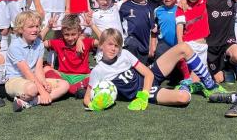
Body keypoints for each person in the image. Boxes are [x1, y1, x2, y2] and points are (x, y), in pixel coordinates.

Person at [83, 28, 220, 110]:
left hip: (146, 85)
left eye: (117, 45)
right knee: (183, 98)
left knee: (183, 47)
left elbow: (148, 73)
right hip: (146, 92)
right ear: (100, 45)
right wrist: (94, 106)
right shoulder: (98, 70)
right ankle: (188, 87)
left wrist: (143, 96)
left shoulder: (124, 54)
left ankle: (210, 85)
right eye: (110, 44)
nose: (114, 48)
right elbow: (87, 97)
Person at [5, 11, 70, 112]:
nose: (35, 30)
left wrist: (44, 83)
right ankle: (36, 96)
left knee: (65, 85)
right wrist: (43, 91)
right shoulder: (15, 46)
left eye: (37, 26)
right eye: (31, 27)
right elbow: (27, 73)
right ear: (21, 29)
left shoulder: (39, 43)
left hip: (34, 79)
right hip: (15, 80)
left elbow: (39, 69)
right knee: (32, 89)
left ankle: (32, 101)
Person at [175, 0, 227, 97]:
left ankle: (191, 85)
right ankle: (184, 85)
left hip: (203, 46)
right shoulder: (181, 7)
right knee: (194, 78)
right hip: (189, 46)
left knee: (198, 78)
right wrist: (180, 43)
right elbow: (179, 26)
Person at [40, 14, 94, 99]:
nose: (70, 38)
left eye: (73, 34)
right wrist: (48, 27)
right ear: (62, 33)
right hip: (64, 77)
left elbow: (104, 41)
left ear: (79, 32)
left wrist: (92, 26)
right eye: (66, 34)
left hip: (82, 77)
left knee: (96, 75)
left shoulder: (85, 42)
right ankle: (75, 89)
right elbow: (38, 43)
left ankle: (67, 89)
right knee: (45, 69)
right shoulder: (58, 42)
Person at [119, 0, 155, 65]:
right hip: (129, 45)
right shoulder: (125, 6)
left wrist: (152, 46)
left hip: (144, 46)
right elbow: (118, 26)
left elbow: (153, 29)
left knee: (140, 71)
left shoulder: (149, 7)